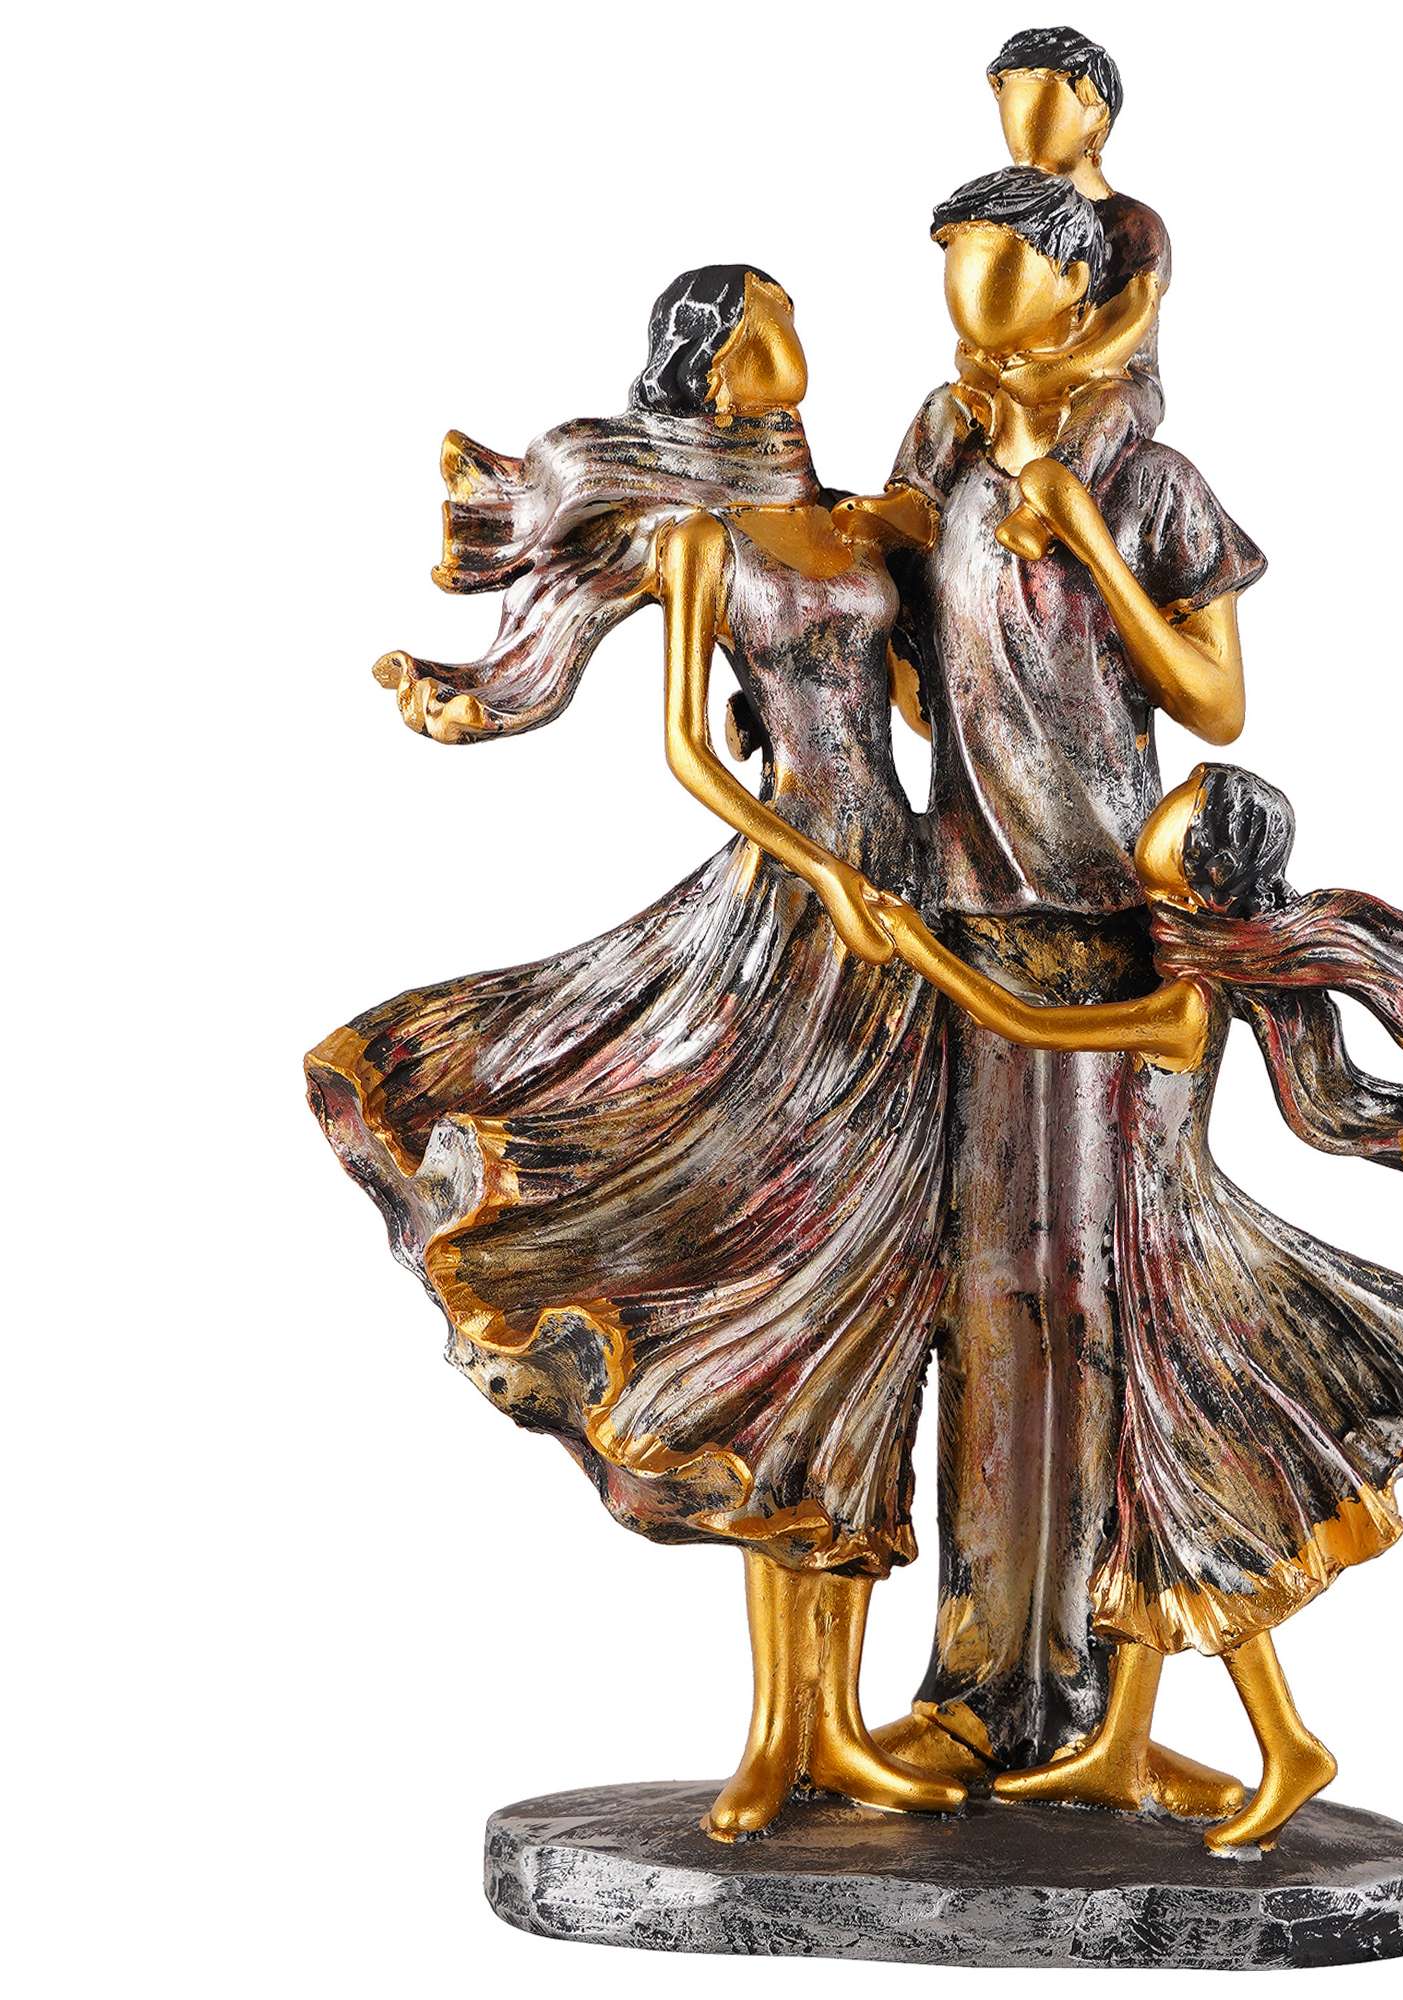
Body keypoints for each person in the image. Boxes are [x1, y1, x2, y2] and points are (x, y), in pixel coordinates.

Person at [306, 265, 964, 1841]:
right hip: (804, 903)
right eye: (761, 324)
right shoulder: (699, 539)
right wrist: (819, 874)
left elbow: (928, 697)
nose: (792, 342)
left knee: (867, 1296)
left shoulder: (856, 525)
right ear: (713, 367)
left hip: (909, 890)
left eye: (790, 315)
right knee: (778, 1272)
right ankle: (779, 1733)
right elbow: (690, 748)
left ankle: (837, 1729)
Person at [864, 763, 1403, 1848]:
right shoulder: (1181, 971)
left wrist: (925, 952)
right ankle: (1118, 1746)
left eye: (1163, 856)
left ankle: (1286, 1743)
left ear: (1204, 886)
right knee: (1141, 1513)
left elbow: (1029, 1023)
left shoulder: (1182, 1004)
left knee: (1183, 1512)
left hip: (1167, 1262)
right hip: (1142, 1254)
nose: (1141, 860)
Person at [861, 165, 1268, 1811]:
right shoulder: (942, 449)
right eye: (954, 256)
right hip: (964, 907)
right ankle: (981, 1688)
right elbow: (896, 653)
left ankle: (1099, 1694)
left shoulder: (1153, 481)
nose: (968, 284)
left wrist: (1083, 534)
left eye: (997, 257)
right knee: (977, 1301)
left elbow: (1214, 702)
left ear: (1072, 281)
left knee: (1098, 1302)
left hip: (1114, 923)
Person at [967, 25, 1169, 490]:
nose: (1022, 137)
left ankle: (1058, 493)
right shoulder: (1012, 215)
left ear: (1094, 112)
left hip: (1112, 377)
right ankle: (914, 497)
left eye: (1040, 115)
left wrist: (1060, 373)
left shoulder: (1135, 226)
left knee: (1109, 405)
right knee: (950, 401)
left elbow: (1133, 321)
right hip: (1020, 377)